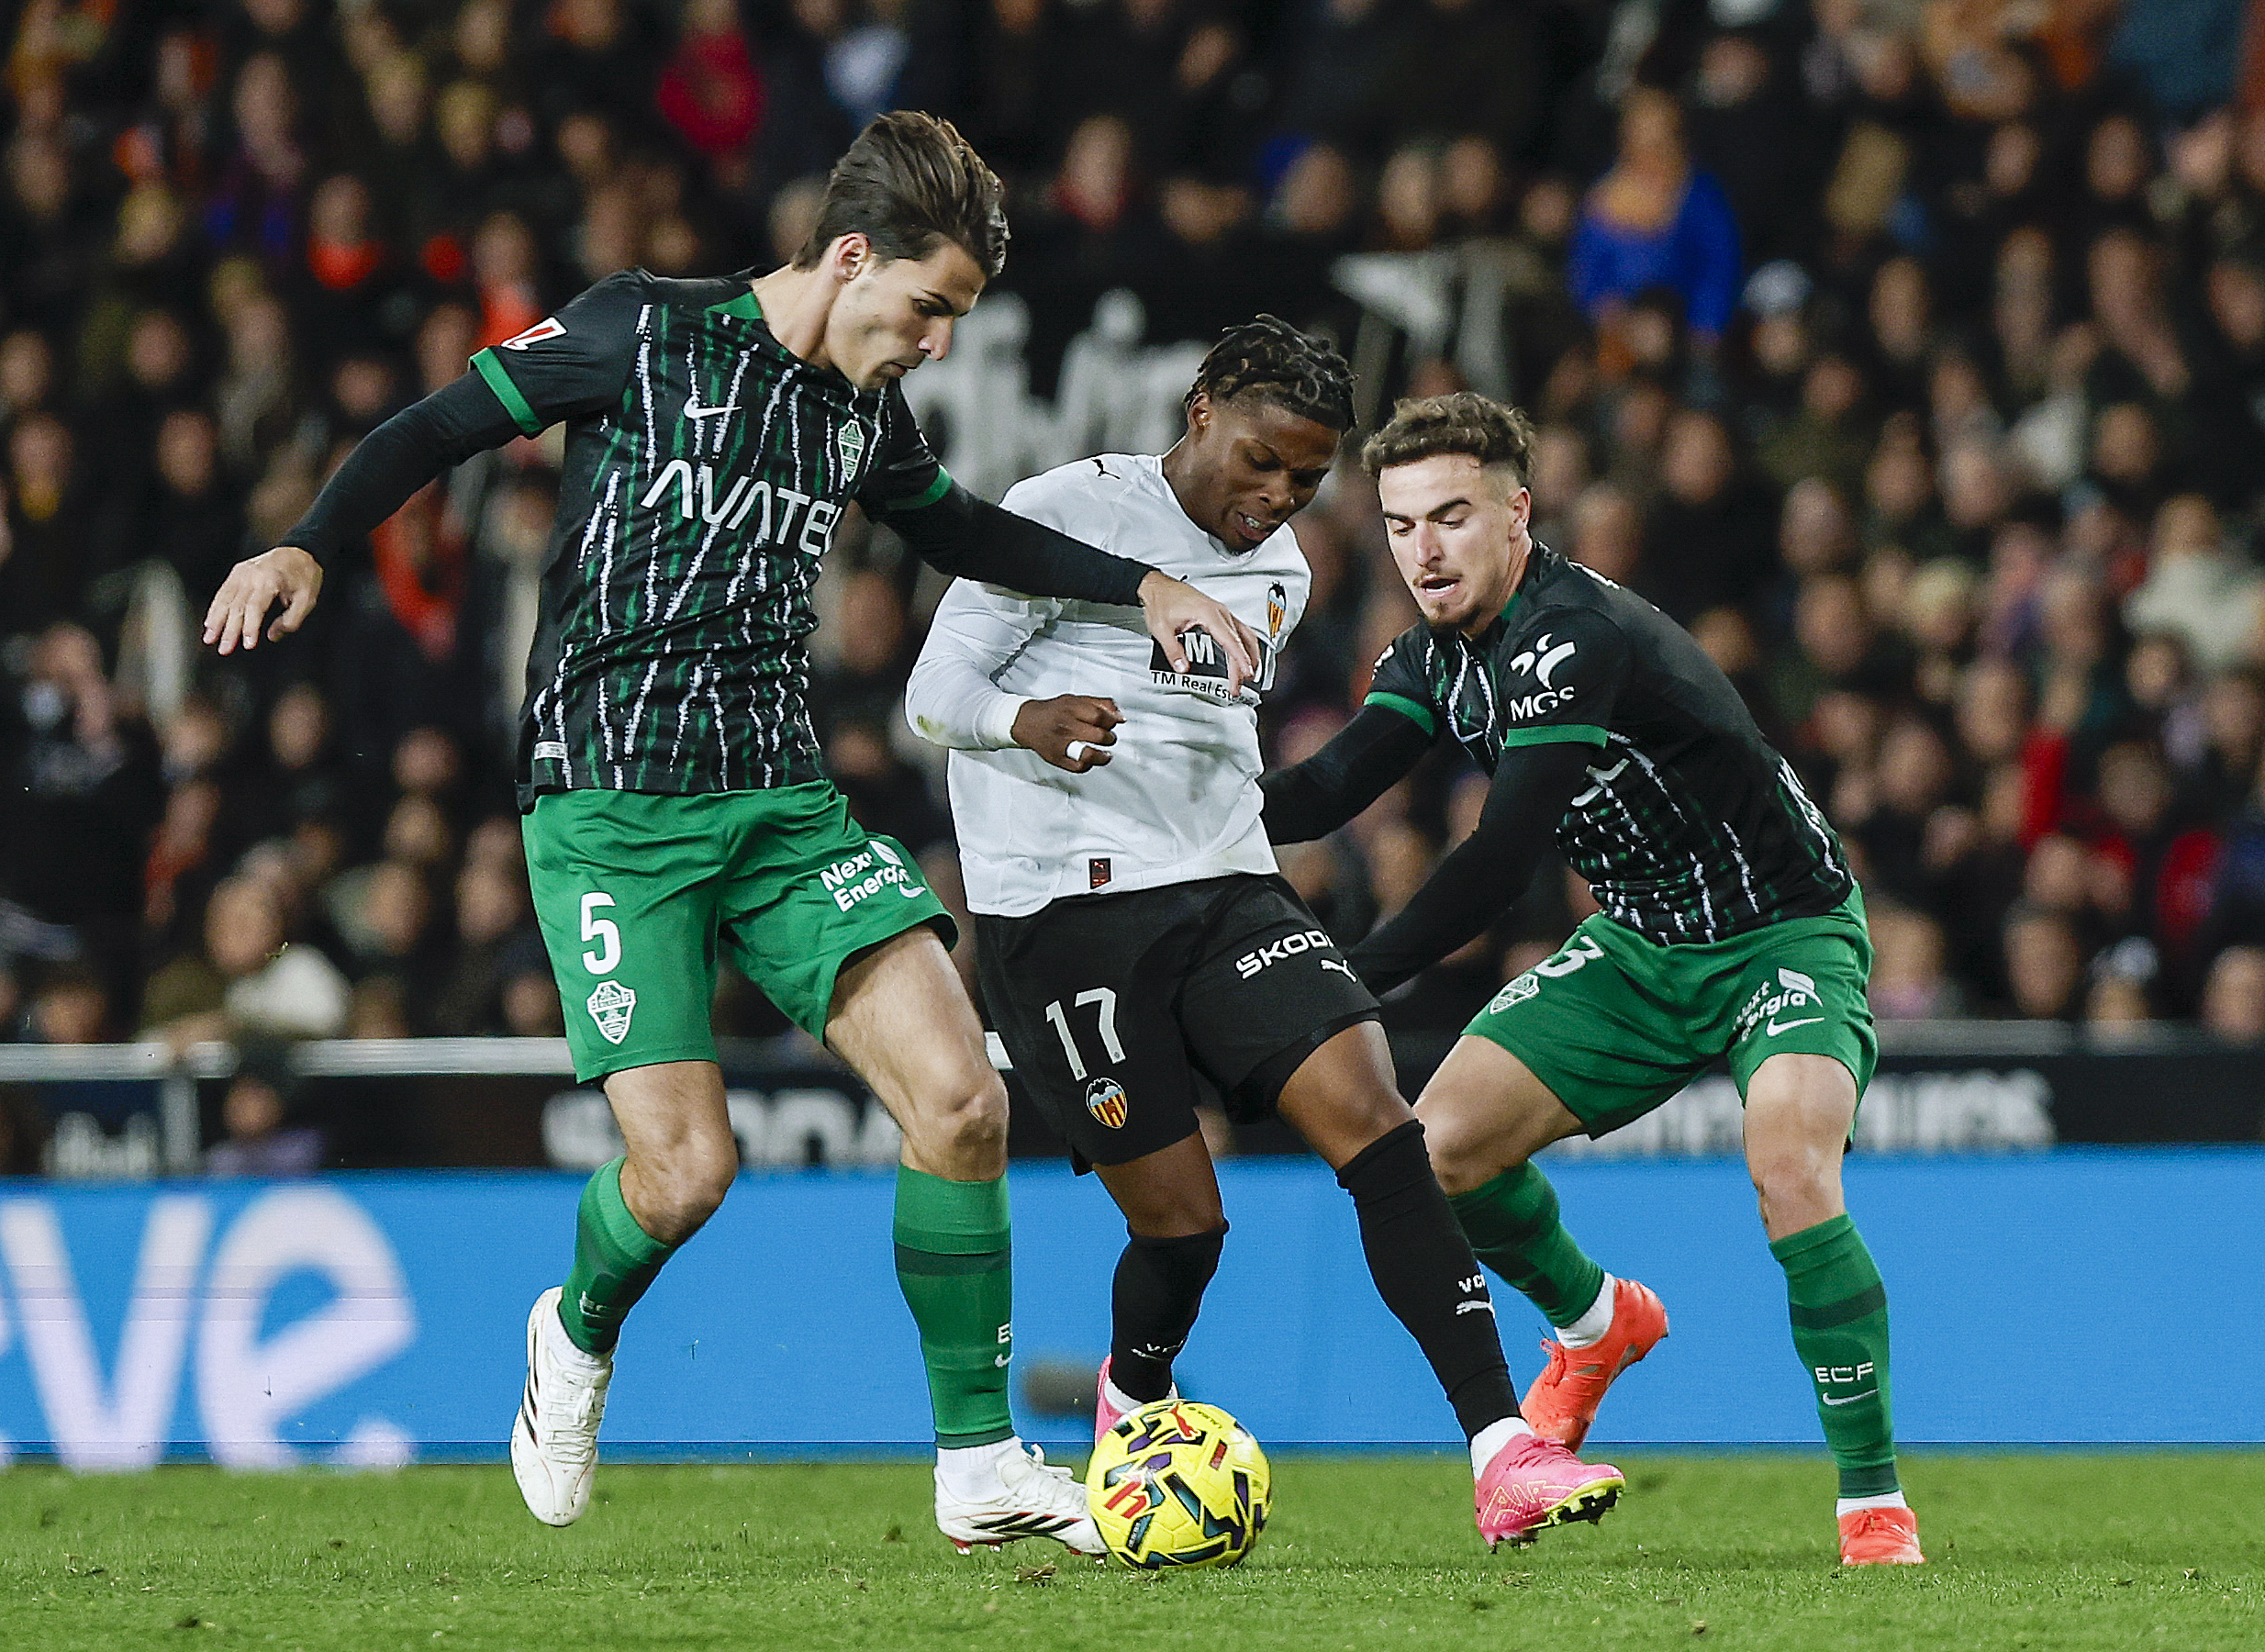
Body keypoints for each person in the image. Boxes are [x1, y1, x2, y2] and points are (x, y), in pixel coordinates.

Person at [199, 111, 1259, 1554]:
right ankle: (570, 1335)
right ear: (845, 256)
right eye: (928, 306)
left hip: (777, 806)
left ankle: (976, 1464)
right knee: (686, 1174)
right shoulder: (637, 333)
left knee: (962, 1104)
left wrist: (1138, 586)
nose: (938, 341)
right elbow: (439, 424)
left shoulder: (859, 412)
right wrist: (306, 543)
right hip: (611, 811)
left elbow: (957, 531)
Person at [906, 318, 1625, 1549]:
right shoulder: (1062, 509)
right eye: (1261, 461)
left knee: (1378, 1124)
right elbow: (933, 695)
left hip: (1226, 888)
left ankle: (1500, 1451)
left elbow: (1212, 743)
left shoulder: (1282, 573)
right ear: (1199, 416)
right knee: (1183, 1225)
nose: (1275, 498)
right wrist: (1025, 721)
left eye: (1302, 477)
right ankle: (1132, 1410)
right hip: (1060, 917)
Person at [1257, 392, 1923, 1568]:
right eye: (1401, 524)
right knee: (1435, 1153)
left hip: (1781, 934)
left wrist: (1347, 979)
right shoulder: (1428, 658)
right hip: (1640, 943)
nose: (1423, 550)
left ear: (1516, 516)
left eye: (1451, 518)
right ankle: (1596, 1321)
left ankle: (1870, 1502)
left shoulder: (1573, 636)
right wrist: (1186, 803)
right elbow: (1323, 790)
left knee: (1786, 1168)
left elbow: (1502, 859)